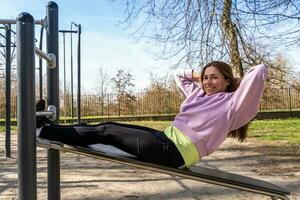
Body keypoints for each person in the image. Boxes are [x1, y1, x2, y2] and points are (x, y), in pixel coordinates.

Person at [36, 61, 268, 168]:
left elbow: (259, 71)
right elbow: (179, 74)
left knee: (106, 132)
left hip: (176, 153)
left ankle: (43, 130)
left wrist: (235, 82)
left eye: (215, 77)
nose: (208, 81)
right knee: (108, 125)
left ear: (228, 81)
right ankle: (50, 128)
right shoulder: (198, 94)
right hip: (165, 139)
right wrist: (201, 77)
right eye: (206, 77)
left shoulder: (233, 105)